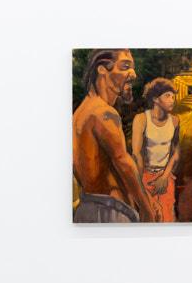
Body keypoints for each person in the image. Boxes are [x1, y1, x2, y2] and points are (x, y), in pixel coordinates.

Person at [72, 49, 160, 223]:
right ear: (102, 70)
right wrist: (146, 208)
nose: (133, 74)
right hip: (109, 212)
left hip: (90, 208)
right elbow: (123, 162)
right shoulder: (103, 112)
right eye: (125, 67)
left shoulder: (80, 113)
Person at [132, 78, 181, 222]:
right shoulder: (141, 119)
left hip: (165, 176)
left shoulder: (175, 121)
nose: (172, 100)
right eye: (167, 96)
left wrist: (164, 177)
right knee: (147, 217)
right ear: (155, 99)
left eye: (173, 97)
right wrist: (140, 185)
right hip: (144, 176)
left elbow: (176, 152)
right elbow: (136, 154)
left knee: (167, 217)